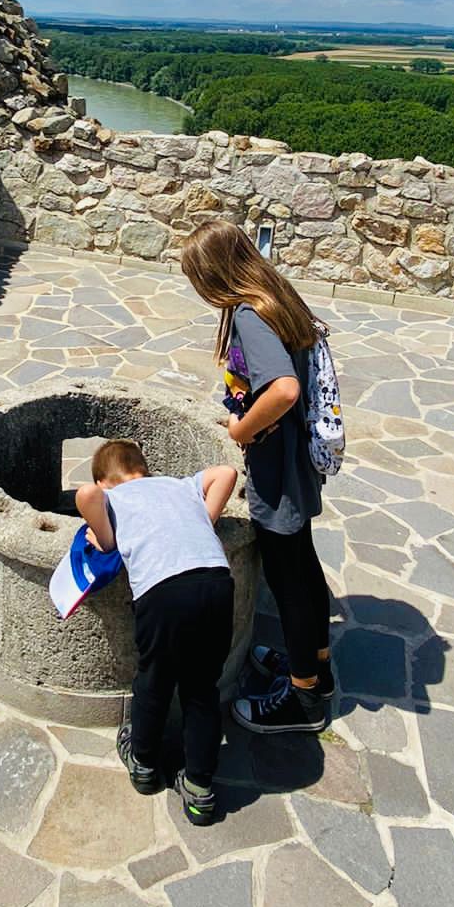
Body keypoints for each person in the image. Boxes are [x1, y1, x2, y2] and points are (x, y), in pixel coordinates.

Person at [180, 221, 333, 734]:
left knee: (288, 581)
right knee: (304, 566)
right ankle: (317, 668)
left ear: (215, 275)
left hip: (276, 466)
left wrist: (241, 429)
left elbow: (284, 389)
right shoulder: (274, 293)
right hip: (296, 460)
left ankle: (304, 698)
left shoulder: (249, 313)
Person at [75, 440, 238, 827]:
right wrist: (204, 520)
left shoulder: (112, 498)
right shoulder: (179, 486)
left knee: (154, 679)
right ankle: (199, 791)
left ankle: (145, 763)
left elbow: (85, 495)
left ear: (104, 480)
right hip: (216, 582)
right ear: (144, 469)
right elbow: (227, 473)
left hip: (162, 592)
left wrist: (105, 536)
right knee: (202, 689)